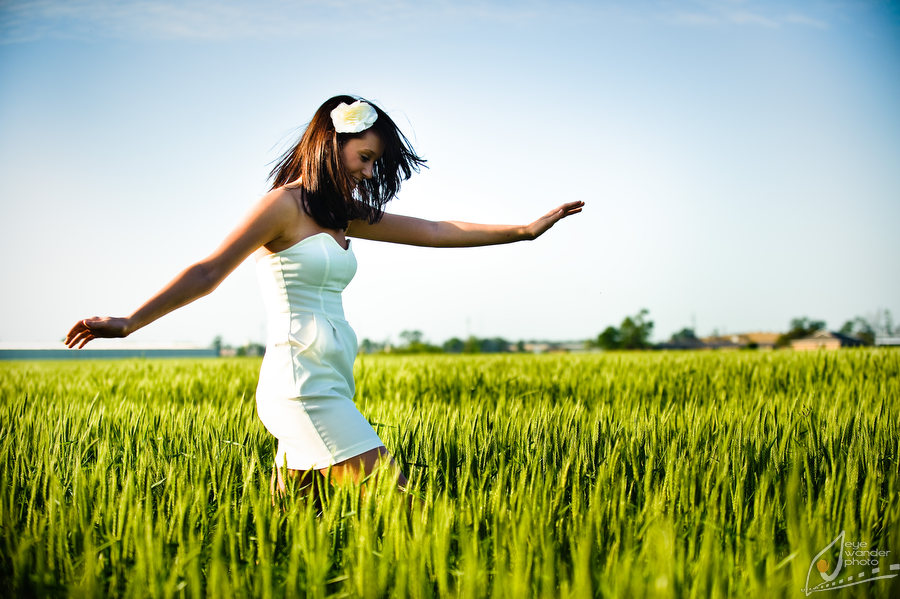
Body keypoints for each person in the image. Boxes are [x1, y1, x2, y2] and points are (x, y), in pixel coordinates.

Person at [65, 94, 584, 502]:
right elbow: (208, 270)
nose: (368, 172)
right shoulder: (283, 206)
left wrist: (522, 230)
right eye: (365, 157)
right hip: (301, 386)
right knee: (408, 511)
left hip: (332, 378)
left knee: (289, 534)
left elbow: (432, 229)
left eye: (374, 163)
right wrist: (130, 321)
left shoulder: (338, 213)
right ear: (330, 143)